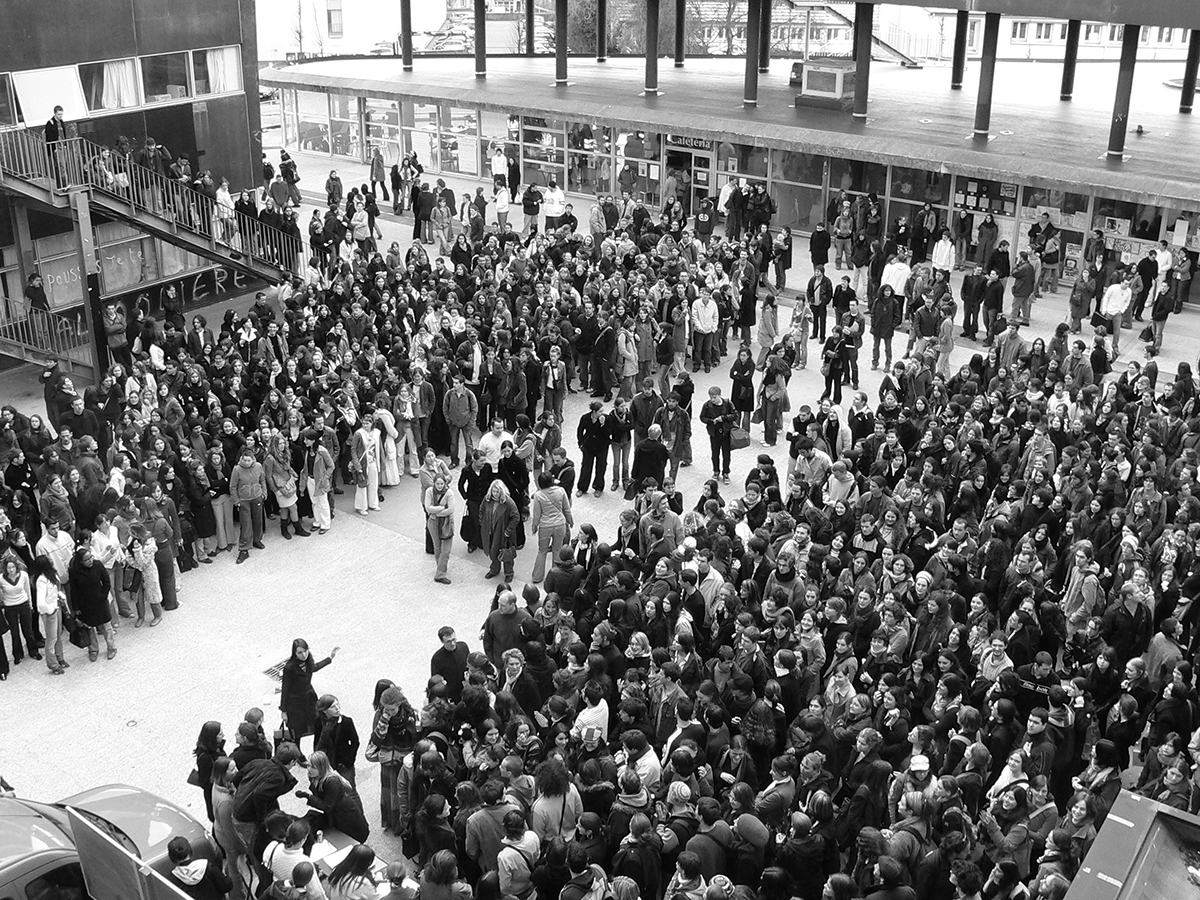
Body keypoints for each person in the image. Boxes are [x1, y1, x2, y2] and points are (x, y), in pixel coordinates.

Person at [280, 638, 340, 750]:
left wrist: (330, 658)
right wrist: (283, 710)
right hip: (295, 704)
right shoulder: (289, 668)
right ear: (294, 653)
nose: (303, 655)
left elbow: (314, 667)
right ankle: (298, 753)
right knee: (298, 730)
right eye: (299, 652)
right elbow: (285, 689)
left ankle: (319, 749)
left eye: (305, 651)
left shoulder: (308, 661)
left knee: (316, 724)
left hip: (310, 699)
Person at [229, 446, 266, 564]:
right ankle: (244, 549)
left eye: (248, 460)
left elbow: (262, 480)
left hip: (257, 497)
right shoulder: (237, 469)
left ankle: (257, 539)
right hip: (243, 500)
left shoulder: (259, 466)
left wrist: (264, 492)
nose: (246, 462)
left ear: (253, 459)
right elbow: (233, 486)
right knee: (245, 524)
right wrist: (236, 501)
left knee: (258, 520)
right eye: (244, 460)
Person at [425, 472, 456, 584]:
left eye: (441, 483)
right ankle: (441, 570)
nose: (439, 486)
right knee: (437, 547)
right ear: (434, 483)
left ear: (445, 483)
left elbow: (451, 509)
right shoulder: (429, 491)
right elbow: (428, 508)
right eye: (437, 484)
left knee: (446, 550)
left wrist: (436, 512)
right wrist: (442, 507)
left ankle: (440, 573)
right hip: (433, 523)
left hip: (446, 523)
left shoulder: (449, 493)